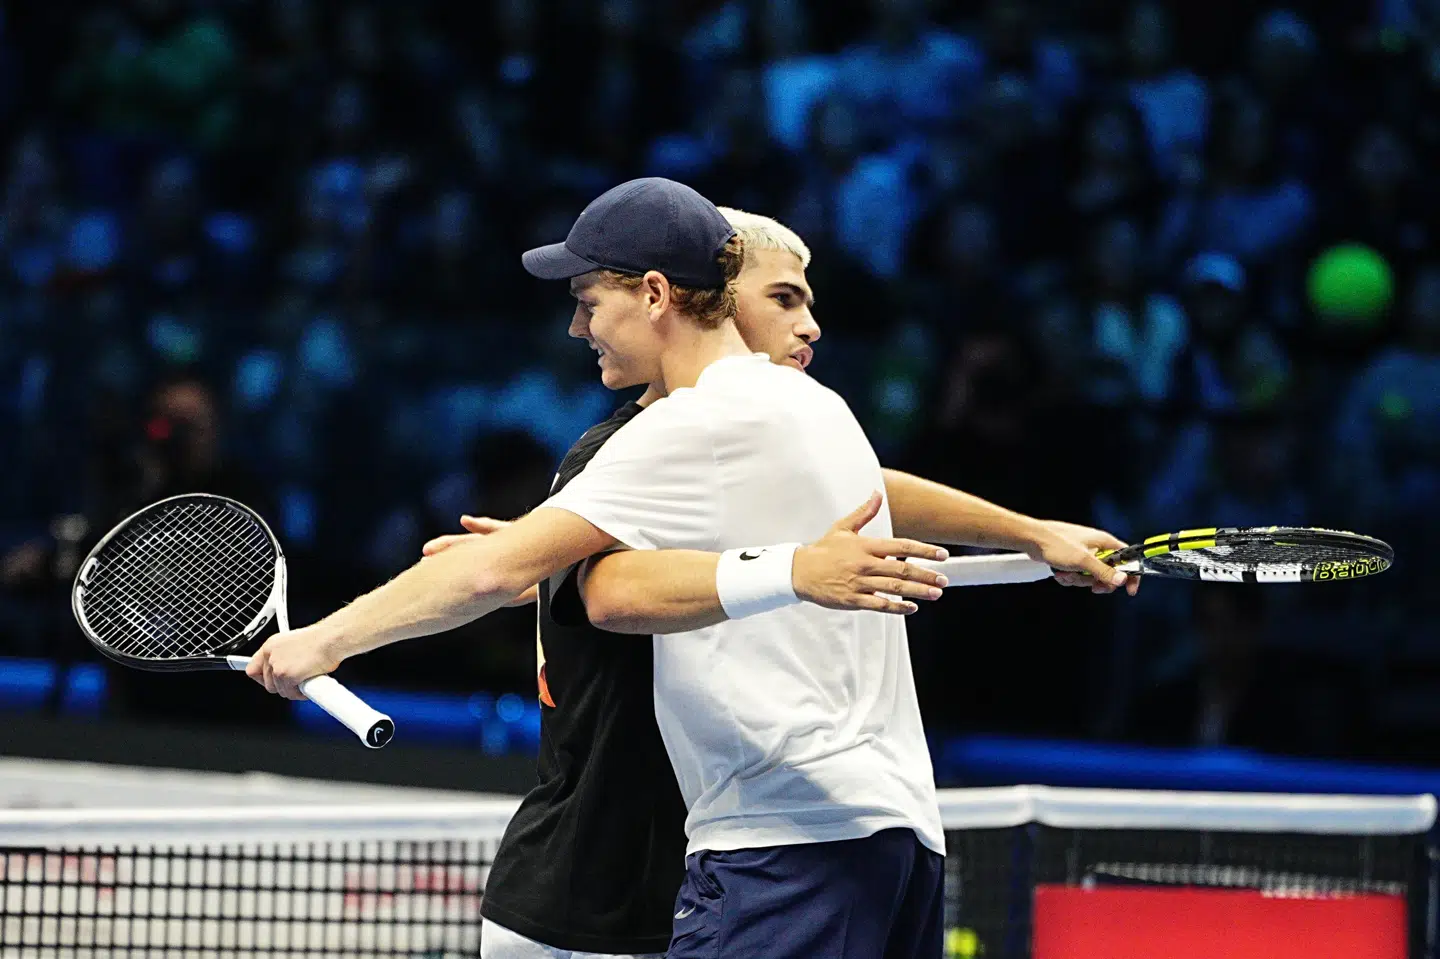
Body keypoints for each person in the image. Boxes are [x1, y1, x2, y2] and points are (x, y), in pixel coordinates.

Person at [245, 179, 1130, 957]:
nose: (577, 324)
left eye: (591, 299)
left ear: (658, 294)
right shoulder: (816, 408)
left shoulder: (680, 426)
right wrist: (1027, 533)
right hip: (896, 842)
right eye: (784, 297)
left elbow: (543, 582)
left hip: (779, 845)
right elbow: (589, 569)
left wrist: (321, 641)